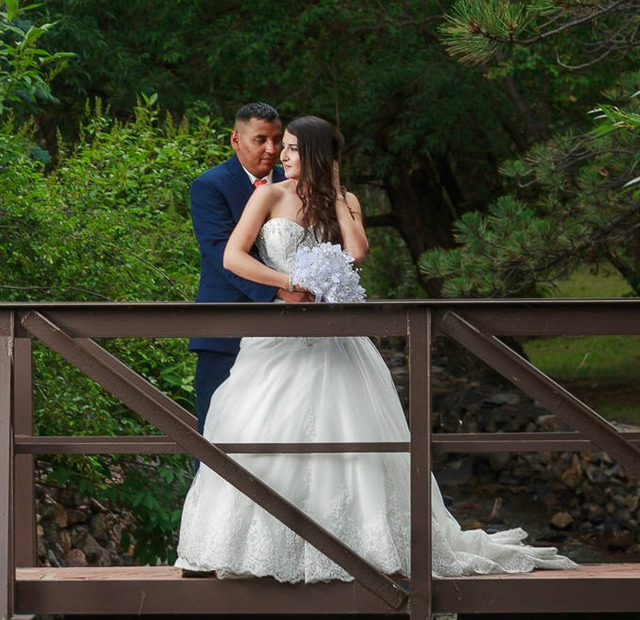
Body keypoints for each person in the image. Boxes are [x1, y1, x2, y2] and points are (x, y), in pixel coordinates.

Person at [173, 115, 574, 582]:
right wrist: (288, 282)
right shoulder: (268, 195)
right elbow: (232, 256)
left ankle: (352, 542)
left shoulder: (346, 201)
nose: (281, 156)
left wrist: (339, 194)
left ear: (318, 155)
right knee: (258, 430)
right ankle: (253, 547)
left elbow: (357, 252)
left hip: (335, 336)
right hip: (280, 334)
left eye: (292, 149)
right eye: (280, 147)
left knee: (347, 435)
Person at [188, 103, 295, 427]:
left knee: (282, 428)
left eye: (277, 140)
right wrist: (280, 288)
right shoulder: (209, 186)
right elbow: (221, 253)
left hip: (289, 331)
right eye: (260, 139)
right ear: (236, 140)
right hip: (225, 325)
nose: (272, 149)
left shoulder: (294, 183)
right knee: (216, 431)